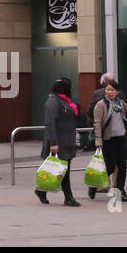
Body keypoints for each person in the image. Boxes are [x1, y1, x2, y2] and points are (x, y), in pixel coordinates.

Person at [91, 80, 127, 202]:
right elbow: (97, 123)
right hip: (108, 140)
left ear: (117, 92)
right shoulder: (101, 105)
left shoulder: (120, 103)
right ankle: (94, 186)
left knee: (123, 166)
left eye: (112, 90)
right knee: (111, 166)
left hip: (121, 138)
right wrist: (98, 141)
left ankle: (120, 192)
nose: (109, 92)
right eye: (107, 90)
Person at [39, 77, 80, 206]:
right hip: (58, 141)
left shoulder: (63, 101)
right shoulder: (53, 102)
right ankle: (68, 197)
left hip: (67, 141)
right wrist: (53, 143)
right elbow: (50, 123)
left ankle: (41, 190)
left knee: (59, 170)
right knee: (63, 170)